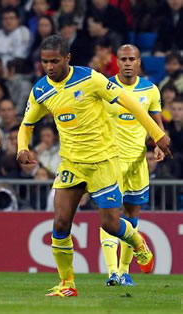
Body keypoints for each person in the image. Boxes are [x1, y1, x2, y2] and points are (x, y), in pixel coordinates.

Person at [16, 35, 171, 297]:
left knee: (111, 224)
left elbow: (130, 103)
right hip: (71, 163)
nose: (50, 67)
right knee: (61, 224)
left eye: (55, 61)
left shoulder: (91, 79)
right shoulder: (42, 90)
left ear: (67, 58)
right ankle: (67, 284)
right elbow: (26, 124)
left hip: (103, 161)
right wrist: (22, 147)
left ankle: (138, 243)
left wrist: (157, 134)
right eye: (45, 62)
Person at [100, 45, 165, 287]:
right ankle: (111, 273)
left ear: (139, 62)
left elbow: (156, 125)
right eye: (123, 59)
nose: (127, 63)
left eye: (132, 59)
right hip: (111, 163)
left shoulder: (150, 90)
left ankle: (124, 271)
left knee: (132, 216)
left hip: (138, 163)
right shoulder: (105, 88)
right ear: (117, 61)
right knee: (110, 215)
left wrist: (158, 144)